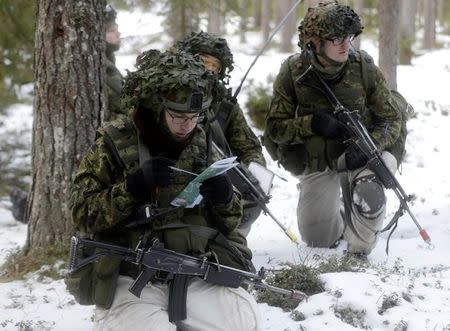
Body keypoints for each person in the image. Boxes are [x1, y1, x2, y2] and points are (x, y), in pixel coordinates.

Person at [69, 50, 261, 330]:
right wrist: (132, 188)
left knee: (245, 321)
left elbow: (233, 220)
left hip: (194, 272)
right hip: (133, 277)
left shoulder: (203, 141)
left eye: (195, 116)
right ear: (157, 108)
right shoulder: (115, 141)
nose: (187, 125)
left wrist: (226, 197)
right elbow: (82, 213)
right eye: (178, 116)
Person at [264, 1, 401, 256]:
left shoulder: (363, 67)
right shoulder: (293, 71)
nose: (345, 44)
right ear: (315, 42)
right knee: (318, 240)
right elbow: (274, 129)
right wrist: (311, 123)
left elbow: (391, 118)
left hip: (363, 156)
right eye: (336, 38)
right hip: (321, 163)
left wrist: (369, 146)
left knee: (369, 193)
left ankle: (359, 250)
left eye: (349, 37)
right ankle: (338, 213)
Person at [174, 31, 266, 237]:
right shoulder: (168, 95)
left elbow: (250, 148)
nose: (209, 70)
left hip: (218, 188)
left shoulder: (225, 106)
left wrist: (251, 175)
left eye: (215, 66)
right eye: (203, 61)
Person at [104, 4, 126, 121]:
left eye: (117, 29)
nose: (118, 34)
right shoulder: (102, 68)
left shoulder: (109, 62)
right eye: (112, 31)